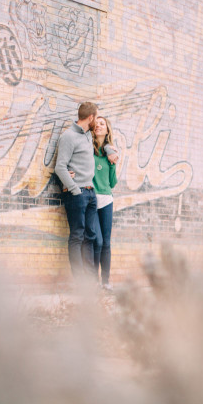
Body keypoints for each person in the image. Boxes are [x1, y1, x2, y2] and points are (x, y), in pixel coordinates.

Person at [53, 102, 98, 279]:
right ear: (91, 117)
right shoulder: (68, 137)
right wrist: (74, 189)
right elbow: (60, 167)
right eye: (97, 117)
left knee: (90, 237)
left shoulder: (88, 135)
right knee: (77, 236)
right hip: (77, 194)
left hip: (90, 193)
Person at [91, 116, 118, 289]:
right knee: (97, 241)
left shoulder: (111, 153)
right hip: (91, 199)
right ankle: (93, 281)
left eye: (102, 124)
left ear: (107, 130)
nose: (99, 126)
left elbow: (113, 183)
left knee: (106, 243)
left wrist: (113, 164)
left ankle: (106, 282)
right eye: (96, 124)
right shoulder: (88, 150)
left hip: (107, 200)